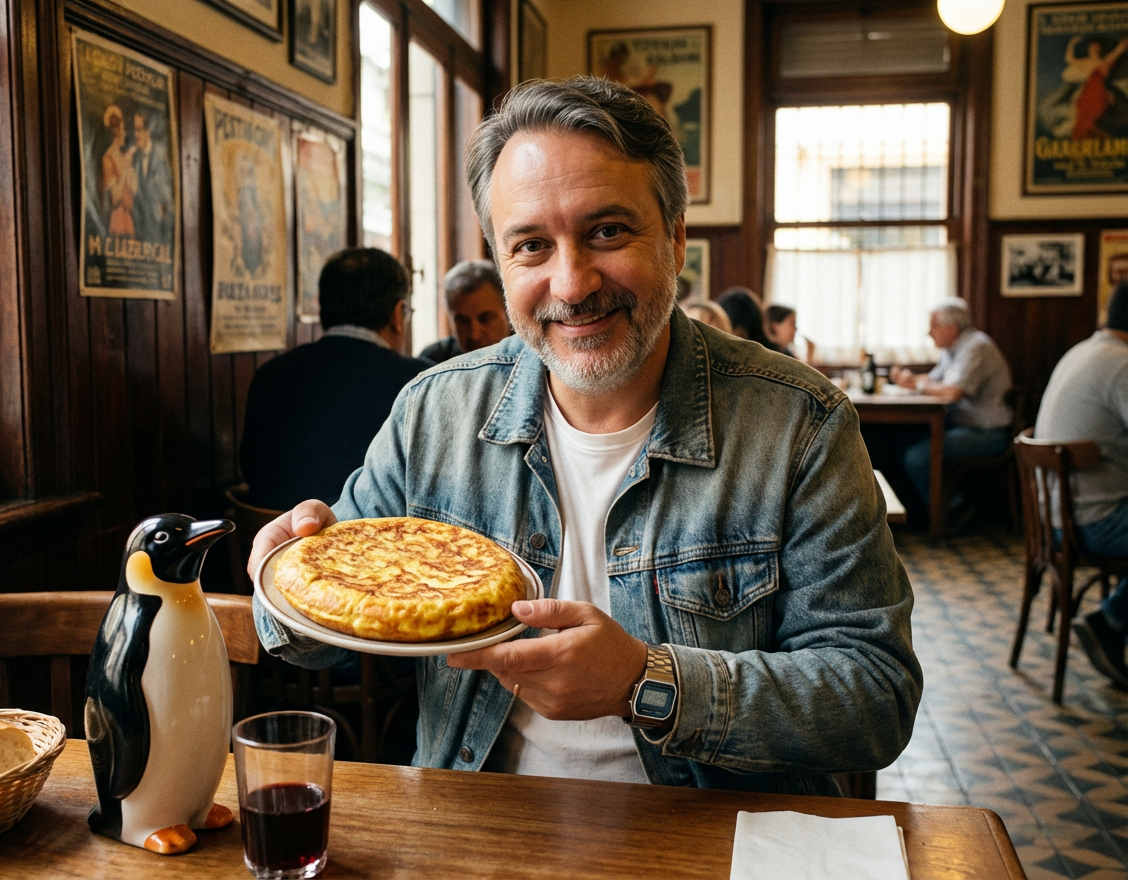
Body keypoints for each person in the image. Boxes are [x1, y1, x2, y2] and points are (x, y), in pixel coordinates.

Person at [249, 76, 920, 793]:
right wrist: (280, 585)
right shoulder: (432, 412)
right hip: (476, 824)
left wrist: (645, 682)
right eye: (532, 245)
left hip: (710, 840)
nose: (571, 285)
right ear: (503, 265)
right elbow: (320, 631)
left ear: (676, 238)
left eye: (607, 231)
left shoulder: (800, 425)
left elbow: (874, 698)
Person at [239, 247, 432, 511]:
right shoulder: (422, 383)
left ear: (320, 306)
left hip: (271, 546)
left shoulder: (269, 374)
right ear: (397, 314)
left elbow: (250, 471)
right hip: (364, 546)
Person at [1035, 281, 1128, 686]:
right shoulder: (1121, 363)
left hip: (1056, 515)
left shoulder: (1084, 351)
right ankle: (1109, 620)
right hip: (1091, 521)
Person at [889, 298, 1013, 518]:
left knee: (916, 456)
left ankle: (954, 509)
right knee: (901, 441)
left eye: (934, 326)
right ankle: (919, 511)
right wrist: (910, 380)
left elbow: (953, 392)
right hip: (964, 426)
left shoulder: (976, 347)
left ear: (952, 327)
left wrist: (916, 384)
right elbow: (935, 381)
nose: (929, 333)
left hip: (988, 433)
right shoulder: (954, 348)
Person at [419, 260, 511, 363]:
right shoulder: (433, 360)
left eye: (485, 319)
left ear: (509, 312)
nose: (475, 335)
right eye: (463, 322)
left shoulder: (529, 355)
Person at [130, 109, 173, 245]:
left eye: (139, 130)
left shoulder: (161, 157)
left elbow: (168, 201)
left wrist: (166, 235)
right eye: (134, 130)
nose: (136, 135)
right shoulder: (135, 158)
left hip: (158, 234)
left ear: (148, 131)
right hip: (139, 233)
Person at [100, 105, 137, 238]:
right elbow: (114, 197)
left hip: (128, 217)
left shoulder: (124, 157)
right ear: (116, 131)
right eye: (122, 129)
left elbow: (134, 189)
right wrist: (126, 169)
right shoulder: (108, 158)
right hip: (116, 220)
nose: (125, 134)